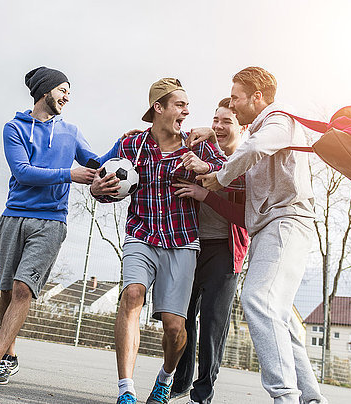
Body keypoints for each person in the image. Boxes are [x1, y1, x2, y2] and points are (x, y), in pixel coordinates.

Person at [0, 66, 120, 392]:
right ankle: (8, 355)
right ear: (44, 91)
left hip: (51, 221)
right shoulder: (13, 128)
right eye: (63, 90)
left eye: (69, 92)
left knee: (24, 289)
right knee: (7, 291)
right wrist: (69, 174)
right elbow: (22, 172)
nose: (67, 97)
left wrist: (126, 143)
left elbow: (95, 162)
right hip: (14, 217)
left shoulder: (71, 131)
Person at [90, 78, 227, 404]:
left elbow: (227, 171)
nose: (187, 111)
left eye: (187, 105)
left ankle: (165, 379)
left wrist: (204, 166)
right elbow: (102, 180)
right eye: (180, 104)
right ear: (159, 108)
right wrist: (97, 190)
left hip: (182, 242)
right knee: (132, 295)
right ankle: (126, 390)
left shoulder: (198, 143)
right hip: (141, 235)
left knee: (174, 327)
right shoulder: (131, 146)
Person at [197, 67, 327, 404]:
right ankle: (311, 398)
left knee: (258, 300)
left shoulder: (279, 120)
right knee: (278, 317)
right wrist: (211, 138)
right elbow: (244, 145)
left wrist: (220, 178)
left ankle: (284, 397)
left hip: (286, 223)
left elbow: (253, 148)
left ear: (258, 97)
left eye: (238, 98)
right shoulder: (262, 127)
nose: (234, 105)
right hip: (273, 228)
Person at [169, 97, 249, 404]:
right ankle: (180, 382)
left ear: (242, 126)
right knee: (182, 317)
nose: (218, 126)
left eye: (226, 122)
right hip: (190, 245)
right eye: (215, 120)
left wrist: (205, 194)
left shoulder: (247, 160)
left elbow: (242, 216)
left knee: (213, 325)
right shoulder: (199, 147)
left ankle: (202, 393)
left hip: (225, 250)